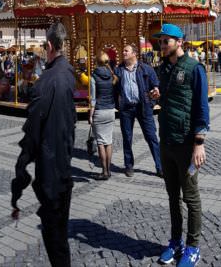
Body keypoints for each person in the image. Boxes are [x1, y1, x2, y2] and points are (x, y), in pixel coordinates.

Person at [10, 23, 76, 266]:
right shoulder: (68, 73)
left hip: (50, 170)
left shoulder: (45, 82)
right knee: (60, 233)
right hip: (64, 164)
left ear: (49, 46)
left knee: (55, 237)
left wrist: (18, 184)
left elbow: (32, 135)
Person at [149, 23, 210, 267]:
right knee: (172, 196)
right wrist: (158, 95)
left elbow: (202, 108)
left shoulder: (195, 69)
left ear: (179, 42)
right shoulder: (164, 68)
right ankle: (176, 242)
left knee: (191, 199)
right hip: (167, 141)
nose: (162, 45)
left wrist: (199, 144)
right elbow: (169, 98)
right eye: (160, 41)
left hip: (187, 143)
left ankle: (193, 247)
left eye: (166, 41)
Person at [114, 43, 163, 178]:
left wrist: (151, 102)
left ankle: (160, 167)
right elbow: (113, 88)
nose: (123, 53)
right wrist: (117, 104)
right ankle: (129, 166)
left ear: (134, 53)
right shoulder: (118, 70)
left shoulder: (145, 68)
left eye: (126, 51)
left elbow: (156, 84)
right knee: (127, 138)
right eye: (123, 50)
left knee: (151, 137)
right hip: (126, 108)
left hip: (143, 107)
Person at [89, 52, 117, 180]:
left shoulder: (93, 76)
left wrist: (90, 114)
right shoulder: (111, 76)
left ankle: (104, 171)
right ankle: (109, 170)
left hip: (99, 111)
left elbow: (93, 99)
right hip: (111, 110)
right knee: (109, 142)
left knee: (100, 142)